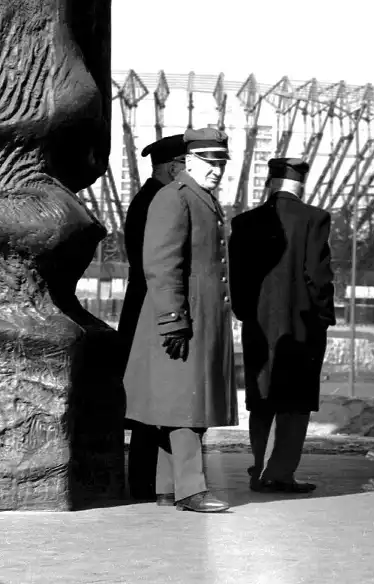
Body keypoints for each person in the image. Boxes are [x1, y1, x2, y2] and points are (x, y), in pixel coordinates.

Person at [123, 127, 238, 513]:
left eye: (222, 162)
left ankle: (168, 486)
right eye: (210, 161)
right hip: (178, 320)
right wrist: (173, 319)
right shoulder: (173, 198)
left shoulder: (198, 197)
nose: (217, 170)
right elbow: (161, 264)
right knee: (185, 406)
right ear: (188, 161)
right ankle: (192, 489)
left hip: (196, 319)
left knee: (179, 404)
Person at [228, 157, 336, 493]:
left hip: (258, 327)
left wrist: (246, 314)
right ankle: (280, 473)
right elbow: (318, 277)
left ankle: (258, 467)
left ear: (269, 184)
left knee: (261, 399)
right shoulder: (314, 219)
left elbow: (237, 279)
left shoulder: (243, 222)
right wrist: (323, 318)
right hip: (301, 327)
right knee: (295, 400)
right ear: (301, 186)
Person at [118, 134, 186, 502]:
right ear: (174, 165)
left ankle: (151, 483)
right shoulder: (157, 201)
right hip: (152, 306)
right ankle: (147, 484)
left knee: (151, 400)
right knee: (151, 401)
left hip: (146, 304)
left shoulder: (150, 197)